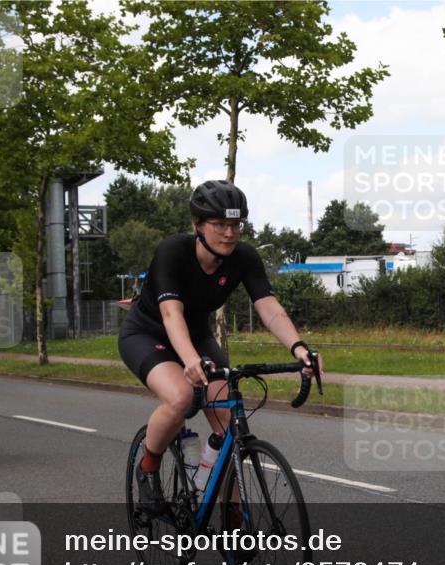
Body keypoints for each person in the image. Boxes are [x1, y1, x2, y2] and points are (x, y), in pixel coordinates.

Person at [118, 180, 323, 515]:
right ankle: (149, 465)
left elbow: (269, 307)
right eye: (220, 225)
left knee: (231, 426)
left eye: (236, 225)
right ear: (198, 226)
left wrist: (299, 348)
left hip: (197, 337)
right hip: (147, 333)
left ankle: (233, 515)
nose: (229, 233)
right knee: (182, 397)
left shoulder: (243, 257)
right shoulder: (173, 251)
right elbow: (171, 314)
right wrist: (189, 361)